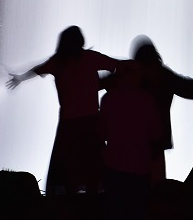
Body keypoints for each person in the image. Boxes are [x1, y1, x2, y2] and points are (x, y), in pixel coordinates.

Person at [7, 25, 119, 195]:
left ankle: (68, 202)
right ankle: (95, 200)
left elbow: (37, 70)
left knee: (68, 165)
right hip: (90, 120)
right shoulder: (90, 58)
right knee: (93, 165)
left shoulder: (58, 62)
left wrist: (20, 78)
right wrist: (107, 82)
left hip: (69, 122)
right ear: (80, 40)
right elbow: (116, 66)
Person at [113, 36, 193, 183]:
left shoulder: (130, 75)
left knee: (132, 184)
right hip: (157, 139)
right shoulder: (163, 75)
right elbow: (188, 87)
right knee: (157, 187)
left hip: (131, 138)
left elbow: (107, 81)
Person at [99, 66, 163, 219]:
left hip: (114, 165)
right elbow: (156, 133)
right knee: (138, 210)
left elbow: (101, 132)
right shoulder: (147, 99)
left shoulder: (108, 99)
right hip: (141, 165)